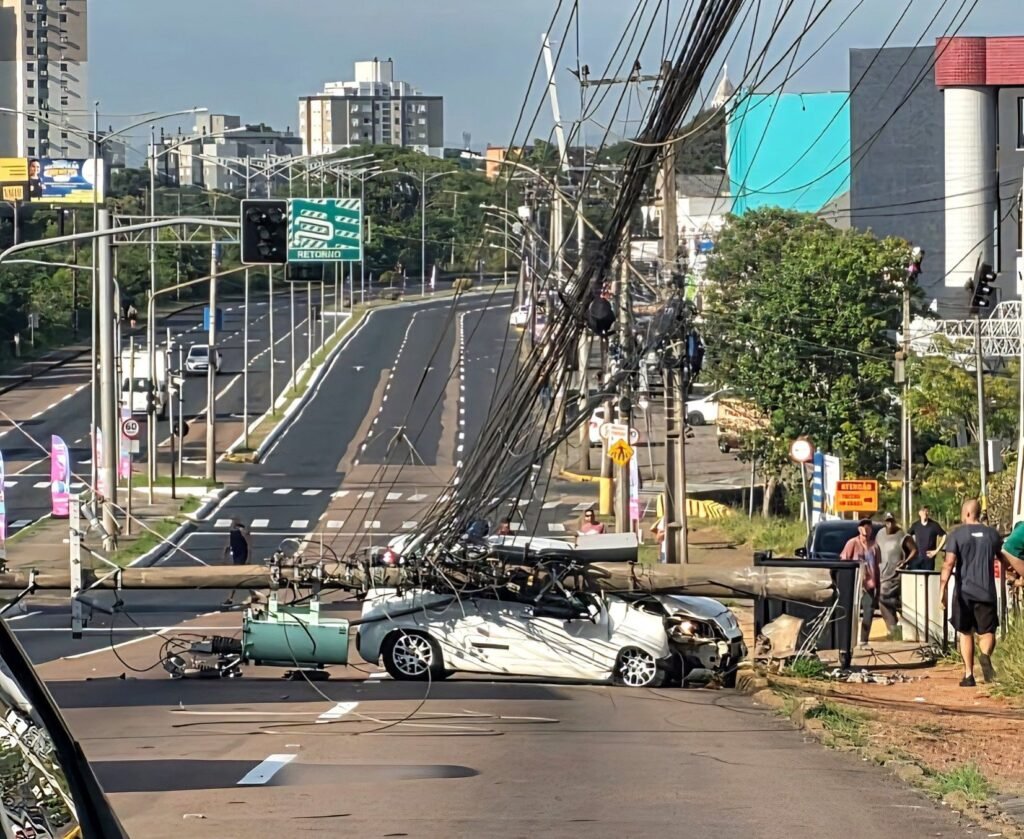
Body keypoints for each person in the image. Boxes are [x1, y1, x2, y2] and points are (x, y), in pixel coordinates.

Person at [940, 499, 1024, 687]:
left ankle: (969, 675)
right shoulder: (992, 534)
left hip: (964, 593)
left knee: (965, 632)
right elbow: (1004, 559)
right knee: (987, 632)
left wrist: (942, 590)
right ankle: (985, 655)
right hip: (986, 592)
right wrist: (1013, 575)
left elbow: (948, 563)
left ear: (967, 513)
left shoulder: (957, 534)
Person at [839, 518, 881, 650]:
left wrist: (878, 585)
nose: (866, 530)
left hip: (870, 584)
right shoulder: (852, 543)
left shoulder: (874, 546)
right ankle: (848, 641)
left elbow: (877, 566)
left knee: (868, 612)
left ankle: (864, 640)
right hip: (855, 584)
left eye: (868, 527)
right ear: (859, 529)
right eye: (863, 527)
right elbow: (844, 561)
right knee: (851, 613)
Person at [875, 512, 917, 637]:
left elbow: (914, 550)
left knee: (883, 598)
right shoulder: (880, 534)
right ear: (884, 522)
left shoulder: (902, 535)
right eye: (887, 521)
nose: (890, 524)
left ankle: (893, 628)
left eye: (891, 521)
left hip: (896, 575)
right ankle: (895, 629)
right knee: (889, 602)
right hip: (882, 574)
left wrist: (905, 561)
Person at [222, 517, 252, 607]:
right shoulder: (232, 532)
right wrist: (224, 556)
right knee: (241, 577)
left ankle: (230, 598)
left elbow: (249, 546)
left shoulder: (243, 532)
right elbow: (228, 545)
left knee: (236, 577)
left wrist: (248, 559)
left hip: (242, 555)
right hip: (236, 555)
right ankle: (253, 594)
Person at [908, 506, 946, 571]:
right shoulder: (915, 525)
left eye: (926, 511)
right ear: (919, 513)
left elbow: (944, 535)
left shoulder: (934, 525)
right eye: (923, 511)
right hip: (917, 559)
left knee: (928, 577)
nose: (925, 513)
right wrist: (912, 549)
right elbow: (907, 536)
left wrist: (936, 551)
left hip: (929, 559)